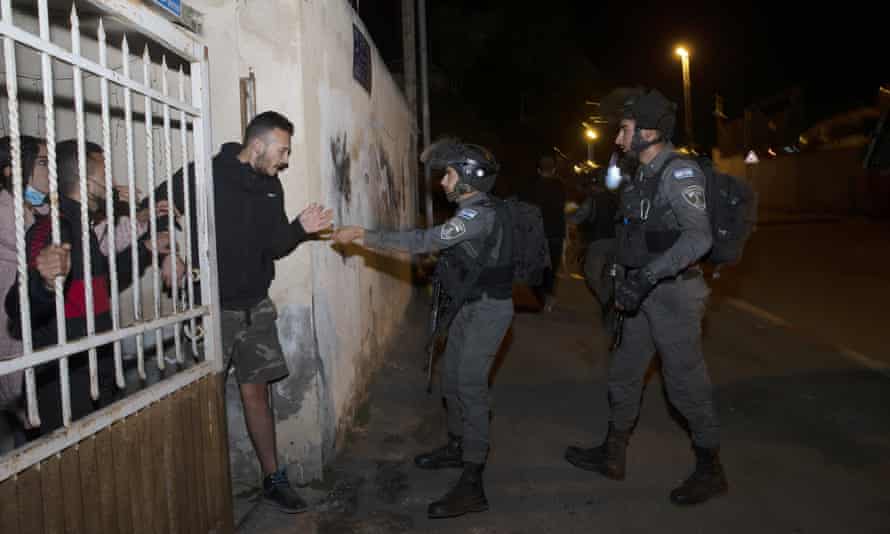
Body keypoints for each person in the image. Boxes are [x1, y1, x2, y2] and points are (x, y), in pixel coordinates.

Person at [153, 111, 333, 514]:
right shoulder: (204, 174)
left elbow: (274, 246)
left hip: (256, 308)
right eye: (282, 150)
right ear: (258, 145)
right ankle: (198, 487)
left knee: (257, 396)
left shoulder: (271, 186)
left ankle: (273, 479)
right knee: (203, 400)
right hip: (210, 311)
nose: (285, 159)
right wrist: (168, 253)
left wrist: (300, 228)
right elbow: (155, 209)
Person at [333, 138, 513, 519]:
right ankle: (457, 444)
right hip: (468, 306)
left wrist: (363, 235)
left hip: (488, 312)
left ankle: (473, 481)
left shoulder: (476, 216)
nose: (443, 182)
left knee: (470, 387)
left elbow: (424, 241)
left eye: (449, 174)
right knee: (451, 379)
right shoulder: (471, 211)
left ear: (468, 179)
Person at [564, 88, 728, 506]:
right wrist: (622, 276)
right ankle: (613, 454)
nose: (618, 139)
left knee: (684, 385)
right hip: (639, 291)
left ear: (649, 132)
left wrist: (648, 276)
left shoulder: (679, 173)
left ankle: (711, 469)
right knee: (623, 373)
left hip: (673, 294)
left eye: (625, 130)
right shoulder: (642, 174)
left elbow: (699, 237)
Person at [5, 139, 167, 436]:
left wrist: (146, 248)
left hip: (93, 365)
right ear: (87, 179)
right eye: (106, 173)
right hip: (64, 378)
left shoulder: (82, 226)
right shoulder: (53, 227)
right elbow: (16, 306)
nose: (112, 183)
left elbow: (100, 277)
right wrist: (41, 282)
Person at [1, 135, 50, 436]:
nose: (50, 171)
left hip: (33, 337)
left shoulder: (35, 206)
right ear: (10, 169)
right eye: (43, 163)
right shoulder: (6, 214)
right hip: (11, 344)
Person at [520, 155, 566, 311]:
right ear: (553, 170)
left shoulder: (531, 187)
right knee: (552, 267)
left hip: (536, 233)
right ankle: (548, 296)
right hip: (555, 233)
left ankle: (537, 297)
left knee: (536, 265)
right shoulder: (560, 186)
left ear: (538, 170)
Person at [567, 171, 618, 312]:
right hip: (616, 242)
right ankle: (608, 304)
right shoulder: (615, 198)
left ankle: (606, 302)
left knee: (591, 274)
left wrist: (566, 218)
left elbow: (578, 217)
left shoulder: (592, 200)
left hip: (598, 242)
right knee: (608, 276)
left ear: (594, 185)